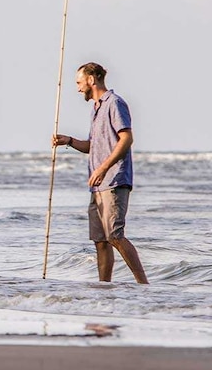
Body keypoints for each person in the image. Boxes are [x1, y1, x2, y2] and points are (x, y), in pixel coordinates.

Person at [53, 62, 149, 284]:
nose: (77, 88)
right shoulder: (96, 108)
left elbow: (127, 138)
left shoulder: (114, 103)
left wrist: (103, 168)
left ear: (91, 80)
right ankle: (103, 288)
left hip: (114, 179)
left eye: (79, 83)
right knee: (100, 240)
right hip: (97, 184)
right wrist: (67, 140)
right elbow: (92, 146)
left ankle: (144, 286)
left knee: (115, 236)